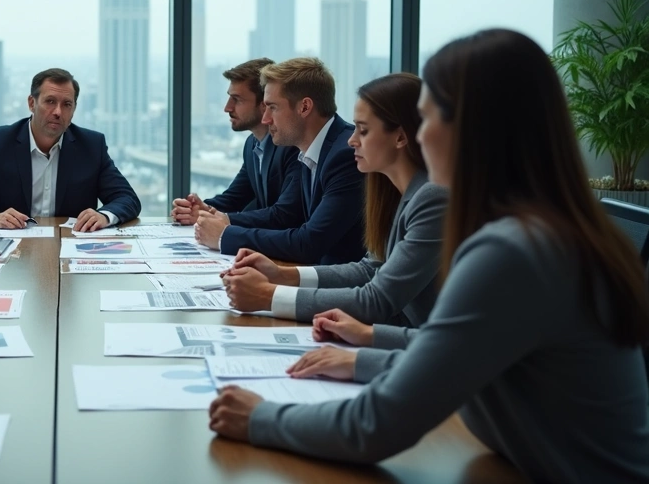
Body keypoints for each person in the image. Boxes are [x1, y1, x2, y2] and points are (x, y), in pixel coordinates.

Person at [208, 29, 649, 483]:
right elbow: (456, 350)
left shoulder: (514, 252)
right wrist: (362, 356)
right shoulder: (540, 230)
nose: (419, 134)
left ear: (470, 127)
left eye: (426, 116)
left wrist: (260, 417)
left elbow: (377, 426)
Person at [222, 73, 447, 325]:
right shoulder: (391, 190)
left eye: (363, 130)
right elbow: (369, 269)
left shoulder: (431, 197)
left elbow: (377, 300)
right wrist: (283, 275)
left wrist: (268, 296)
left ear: (400, 137)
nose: (352, 140)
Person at [195, 57, 365, 264]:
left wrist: (225, 235)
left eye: (272, 107)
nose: (265, 119)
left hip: (343, 287)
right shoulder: (309, 150)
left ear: (304, 107)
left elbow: (308, 242)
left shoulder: (345, 155)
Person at [0, 68, 141, 232]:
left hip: (69, 247)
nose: (58, 112)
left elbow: (127, 198)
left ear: (74, 109)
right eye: (50, 101)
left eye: (67, 104)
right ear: (32, 103)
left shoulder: (91, 146)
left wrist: (105, 216)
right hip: (13, 251)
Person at [171, 58, 302, 230]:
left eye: (237, 99)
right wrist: (198, 209)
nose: (227, 107)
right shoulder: (252, 145)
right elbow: (234, 198)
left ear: (264, 104)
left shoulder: (291, 146)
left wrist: (218, 218)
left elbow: (284, 215)